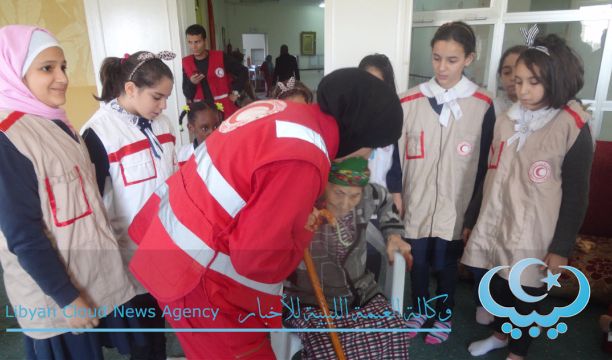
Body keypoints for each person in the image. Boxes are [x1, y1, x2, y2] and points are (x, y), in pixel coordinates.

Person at [126, 68, 403, 359]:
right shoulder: (305, 158)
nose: (368, 157)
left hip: (173, 246)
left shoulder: (276, 109)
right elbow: (258, 261)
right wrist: (305, 226)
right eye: (371, 147)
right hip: (202, 279)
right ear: (357, 133)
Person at [0, 25, 135, 359]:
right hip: (55, 299)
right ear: (14, 73)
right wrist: (67, 299)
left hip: (88, 278)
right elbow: (23, 234)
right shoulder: (9, 137)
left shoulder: (55, 122)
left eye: (63, 67)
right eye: (47, 68)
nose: (61, 77)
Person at [462, 30, 594, 360]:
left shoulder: (572, 125)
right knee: (496, 286)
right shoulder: (507, 120)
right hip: (498, 221)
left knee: (526, 294)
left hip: (537, 230)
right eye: (518, 81)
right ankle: (500, 335)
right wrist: (472, 217)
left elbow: (577, 195)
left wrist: (560, 248)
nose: (521, 90)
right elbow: (489, 174)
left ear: (556, 79)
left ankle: (518, 352)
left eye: (533, 82)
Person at [398, 21, 496, 344]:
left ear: (469, 58)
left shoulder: (482, 105)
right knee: (419, 263)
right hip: (417, 201)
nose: (442, 67)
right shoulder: (409, 101)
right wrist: (397, 193)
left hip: (456, 205)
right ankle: (420, 309)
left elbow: (486, 166)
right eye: (436, 58)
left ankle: (444, 314)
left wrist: (473, 213)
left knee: (447, 263)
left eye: (451, 60)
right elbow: (395, 156)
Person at [81, 50, 178, 359]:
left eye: (166, 98)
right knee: (142, 343)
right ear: (131, 89)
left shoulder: (163, 125)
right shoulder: (99, 133)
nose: (163, 106)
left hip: (166, 251)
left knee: (161, 333)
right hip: (129, 260)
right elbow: (92, 205)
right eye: (157, 97)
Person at [283, 156, 412, 359]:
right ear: (325, 183)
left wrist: (394, 233)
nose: (345, 203)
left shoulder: (369, 194)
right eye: (338, 192)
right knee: (330, 345)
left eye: (354, 196)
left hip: (359, 289)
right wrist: (297, 220)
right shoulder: (301, 199)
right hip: (307, 297)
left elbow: (386, 199)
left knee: (393, 327)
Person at [182, 24, 247, 117]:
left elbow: (243, 71)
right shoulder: (186, 62)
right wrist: (192, 83)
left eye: (197, 42)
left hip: (224, 109)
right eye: (190, 42)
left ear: (205, 41)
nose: (194, 46)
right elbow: (187, 93)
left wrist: (236, 92)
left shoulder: (220, 57)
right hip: (202, 113)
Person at [494, 45, 528, 116]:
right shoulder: (491, 108)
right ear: (500, 76)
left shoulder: (544, 110)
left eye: (519, 71)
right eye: (507, 72)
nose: (512, 77)